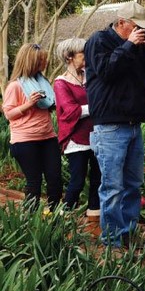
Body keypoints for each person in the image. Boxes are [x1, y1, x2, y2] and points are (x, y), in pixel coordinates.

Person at [85, 1, 145, 246]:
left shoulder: (137, 46)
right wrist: (129, 46)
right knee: (113, 187)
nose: (142, 32)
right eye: (138, 27)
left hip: (133, 125)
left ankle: (128, 234)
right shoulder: (99, 41)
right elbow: (107, 71)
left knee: (132, 185)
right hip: (110, 127)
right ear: (121, 24)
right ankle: (112, 239)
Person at [2, 43, 61, 210]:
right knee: (34, 183)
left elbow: (47, 108)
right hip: (25, 141)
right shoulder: (15, 86)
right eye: (41, 60)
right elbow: (9, 114)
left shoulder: (43, 83)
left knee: (55, 180)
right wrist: (29, 104)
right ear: (31, 61)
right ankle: (30, 223)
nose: (45, 63)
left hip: (48, 137)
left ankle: (55, 220)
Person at [54, 38, 100, 216]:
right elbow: (71, 111)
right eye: (83, 55)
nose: (87, 58)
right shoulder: (61, 83)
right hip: (75, 138)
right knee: (78, 179)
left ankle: (94, 213)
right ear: (69, 57)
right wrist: (96, 108)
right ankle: (64, 215)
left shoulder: (90, 76)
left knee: (98, 177)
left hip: (95, 135)